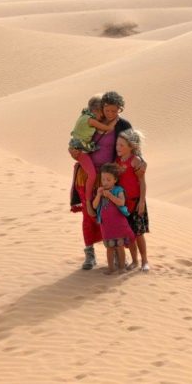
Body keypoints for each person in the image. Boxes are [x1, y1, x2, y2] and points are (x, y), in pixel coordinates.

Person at [69, 91, 132, 270]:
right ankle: (89, 254)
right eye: (106, 109)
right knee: (88, 216)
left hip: (108, 178)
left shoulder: (122, 125)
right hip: (86, 176)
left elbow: (133, 147)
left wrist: (139, 163)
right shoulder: (89, 121)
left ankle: (119, 253)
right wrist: (73, 153)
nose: (109, 113)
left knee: (113, 216)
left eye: (113, 110)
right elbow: (75, 143)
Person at [69, 94, 118, 217]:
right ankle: (88, 203)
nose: (103, 115)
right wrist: (116, 120)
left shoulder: (84, 116)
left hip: (106, 177)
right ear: (96, 110)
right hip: (85, 163)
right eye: (103, 111)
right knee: (92, 175)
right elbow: (107, 128)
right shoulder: (91, 120)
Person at [116, 129, 150, 272]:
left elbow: (142, 182)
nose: (118, 148)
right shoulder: (116, 161)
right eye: (117, 145)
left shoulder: (135, 161)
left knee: (138, 233)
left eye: (122, 145)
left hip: (136, 202)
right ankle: (134, 261)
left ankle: (144, 261)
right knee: (128, 234)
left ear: (131, 147)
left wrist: (142, 202)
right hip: (123, 204)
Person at [93, 163, 134, 274]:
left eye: (108, 180)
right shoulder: (100, 191)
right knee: (109, 248)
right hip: (106, 225)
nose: (105, 182)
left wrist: (110, 196)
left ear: (115, 180)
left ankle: (122, 268)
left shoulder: (118, 190)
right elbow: (95, 206)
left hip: (118, 224)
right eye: (103, 179)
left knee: (120, 246)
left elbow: (122, 202)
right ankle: (111, 268)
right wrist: (98, 195)